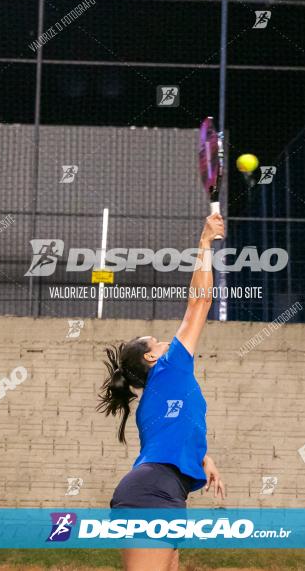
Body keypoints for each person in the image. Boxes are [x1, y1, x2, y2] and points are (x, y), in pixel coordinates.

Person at [98, 212, 227, 571]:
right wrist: (204, 243)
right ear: (152, 357)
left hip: (165, 494)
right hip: (150, 495)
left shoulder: (153, 400)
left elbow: (176, 432)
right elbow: (200, 302)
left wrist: (204, 458)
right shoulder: (171, 366)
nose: (166, 339)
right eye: (156, 341)